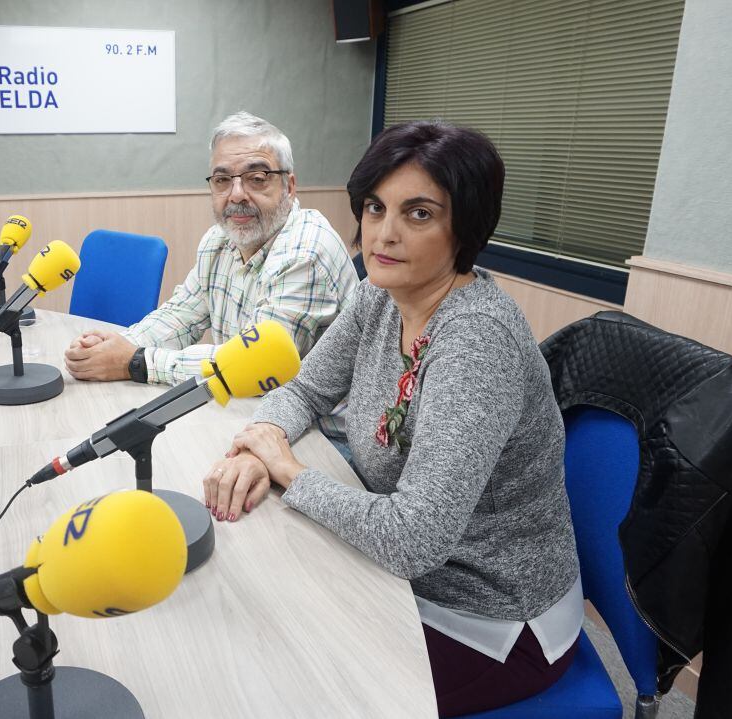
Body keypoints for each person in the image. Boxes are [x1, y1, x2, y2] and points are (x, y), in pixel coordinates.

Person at [203, 121, 583, 717]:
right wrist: (263, 442)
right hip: (404, 577)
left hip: (491, 617)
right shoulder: (381, 292)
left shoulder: (475, 342)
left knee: (290, 682)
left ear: (467, 227)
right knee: (253, 613)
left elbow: (412, 539)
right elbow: (305, 390)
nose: (385, 233)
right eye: (376, 208)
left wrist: (290, 473)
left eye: (420, 213)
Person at [64, 112, 359, 404]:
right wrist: (117, 346)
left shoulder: (305, 251)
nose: (236, 195)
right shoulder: (219, 239)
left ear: (289, 187)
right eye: (222, 180)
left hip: (320, 434)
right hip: (246, 409)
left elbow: (255, 368)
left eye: (257, 179)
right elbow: (180, 316)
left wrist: (135, 361)